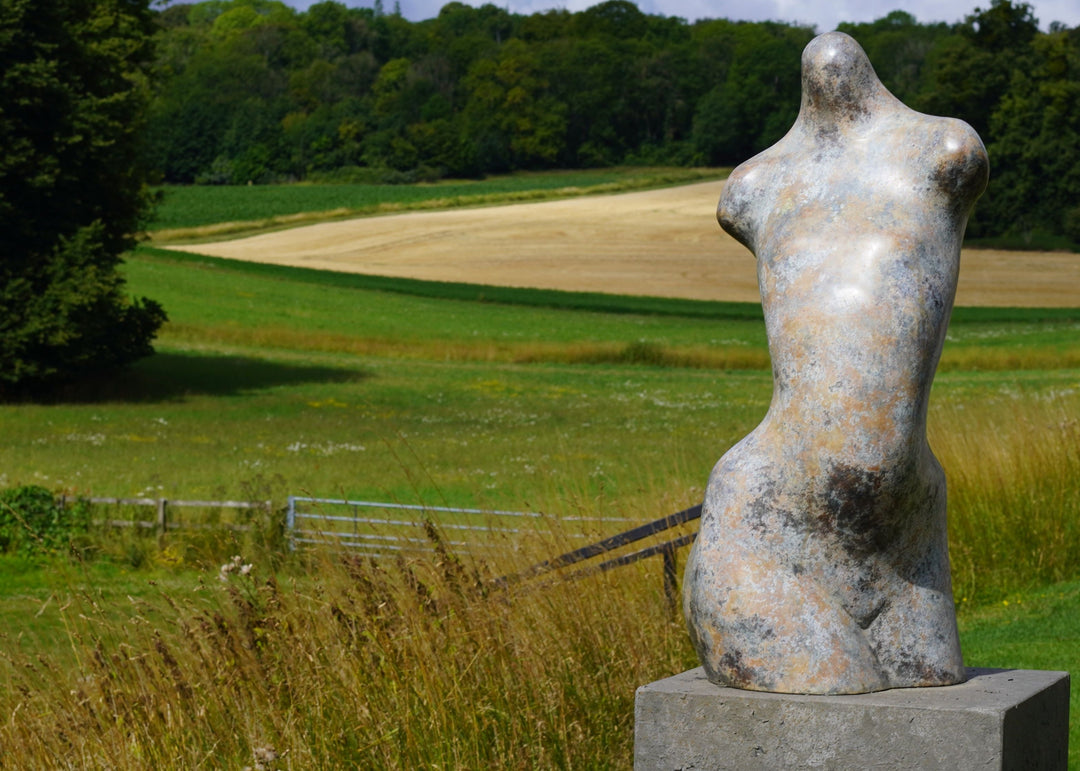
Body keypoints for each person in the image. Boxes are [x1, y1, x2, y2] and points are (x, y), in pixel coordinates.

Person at [683, 31, 988, 694]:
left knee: (929, 701)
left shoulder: (945, 153)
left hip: (908, 541)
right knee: (836, 687)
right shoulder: (754, 187)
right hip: (774, 525)